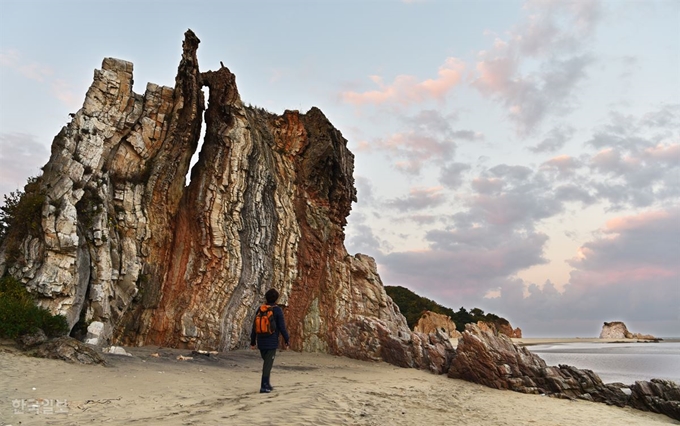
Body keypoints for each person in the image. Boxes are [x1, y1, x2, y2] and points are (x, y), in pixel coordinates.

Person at [250, 288, 290, 393]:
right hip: (271, 342)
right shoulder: (277, 310)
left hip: (261, 341)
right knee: (268, 364)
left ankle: (267, 383)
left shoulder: (261, 309)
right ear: (276, 299)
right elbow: (282, 327)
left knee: (267, 362)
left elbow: (254, 326)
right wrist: (287, 339)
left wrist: (253, 341)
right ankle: (264, 386)